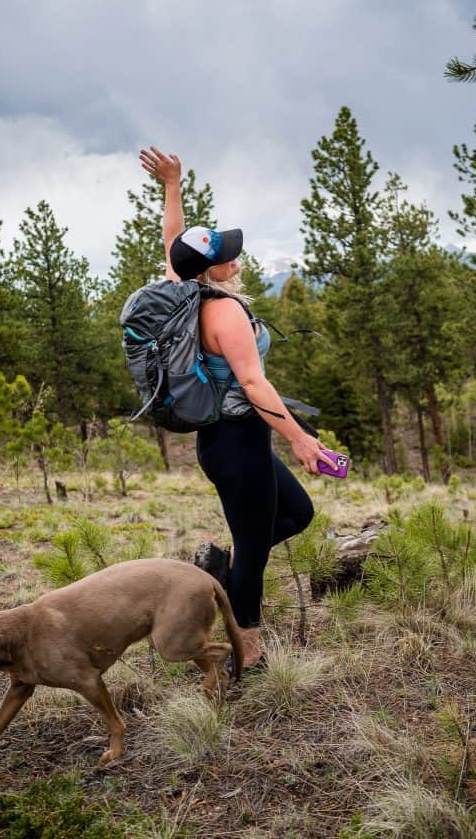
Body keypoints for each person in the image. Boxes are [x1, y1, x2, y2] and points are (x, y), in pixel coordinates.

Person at [139, 146, 336, 668]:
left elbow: (174, 243)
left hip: (230, 442)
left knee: (297, 513)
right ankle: (245, 655)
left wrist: (172, 185)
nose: (235, 256)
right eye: (226, 252)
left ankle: (216, 571)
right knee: (254, 550)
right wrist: (300, 440)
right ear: (212, 268)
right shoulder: (223, 313)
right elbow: (254, 383)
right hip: (236, 442)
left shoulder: (185, 290)